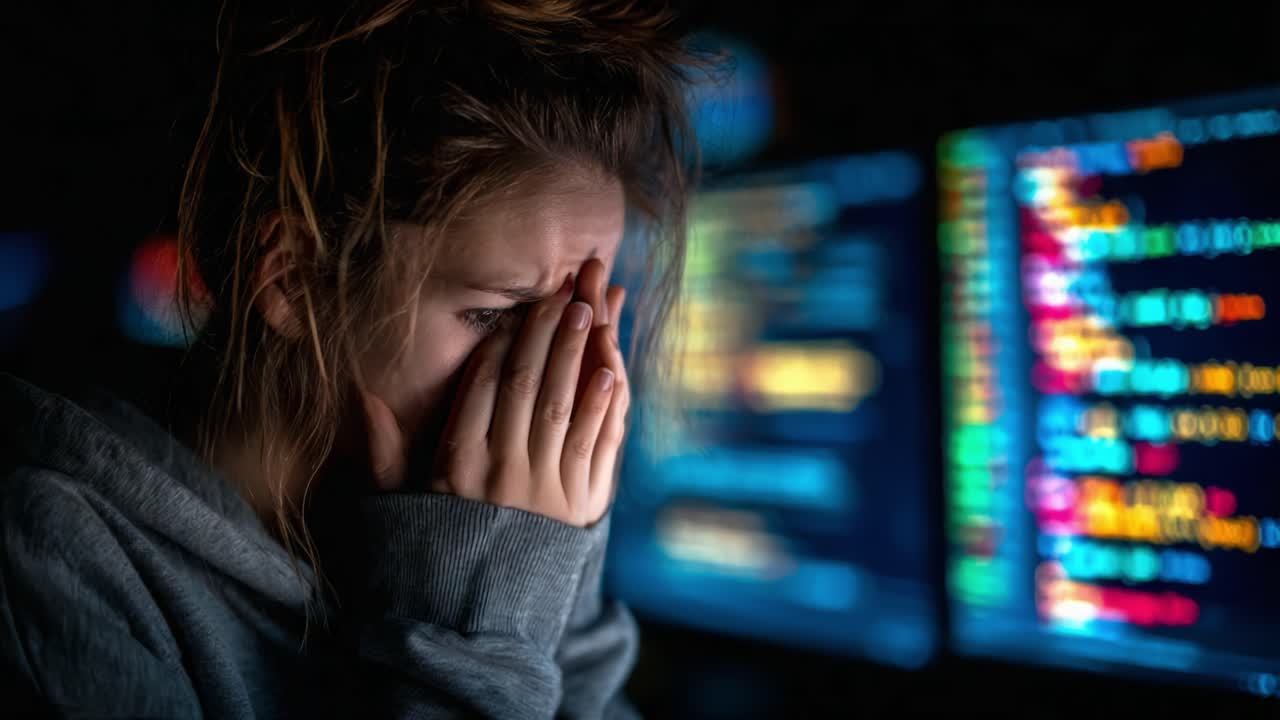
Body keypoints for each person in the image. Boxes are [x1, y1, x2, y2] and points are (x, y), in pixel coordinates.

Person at [0, 1, 696, 716]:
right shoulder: (53, 556)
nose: (565, 379)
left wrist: (544, 565)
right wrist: (476, 630)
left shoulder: (416, 504)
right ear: (294, 280)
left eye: (585, 320)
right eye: (495, 315)